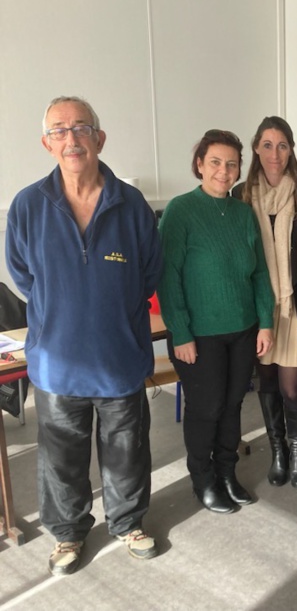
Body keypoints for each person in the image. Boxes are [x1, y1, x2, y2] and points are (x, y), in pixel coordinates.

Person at [5, 96, 162, 576]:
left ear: (100, 138)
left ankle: (128, 523)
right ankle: (68, 533)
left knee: (126, 451)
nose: (71, 138)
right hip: (57, 362)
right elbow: (23, 276)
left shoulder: (131, 205)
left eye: (81, 128)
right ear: (47, 143)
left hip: (119, 358)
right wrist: (65, 306)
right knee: (61, 459)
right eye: (59, 130)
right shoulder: (28, 206)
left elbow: (149, 273)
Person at [157, 130, 274, 514]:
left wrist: (266, 322)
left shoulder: (243, 213)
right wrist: (180, 332)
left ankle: (226, 473)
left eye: (231, 164)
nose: (224, 171)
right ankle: (202, 479)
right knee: (206, 407)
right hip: (199, 335)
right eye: (215, 162)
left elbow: (259, 273)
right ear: (199, 165)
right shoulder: (180, 210)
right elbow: (168, 277)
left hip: (242, 329)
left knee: (233, 404)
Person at [232, 117, 297, 489]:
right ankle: (279, 453)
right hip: (258, 306)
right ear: (256, 148)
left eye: (282, 145)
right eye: (267, 145)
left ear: (291, 149)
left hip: (294, 305)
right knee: (267, 383)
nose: (275, 153)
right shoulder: (240, 193)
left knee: (292, 388)